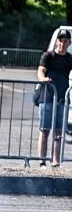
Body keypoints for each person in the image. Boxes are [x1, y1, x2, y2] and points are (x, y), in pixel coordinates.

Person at [36, 29, 72, 168]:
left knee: (58, 132)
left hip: (62, 98)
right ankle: (42, 161)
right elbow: (40, 70)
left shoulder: (70, 59)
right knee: (44, 130)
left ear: (69, 43)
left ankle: (55, 162)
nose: (62, 44)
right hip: (47, 97)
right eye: (60, 40)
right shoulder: (48, 56)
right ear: (56, 41)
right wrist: (43, 79)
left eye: (65, 41)